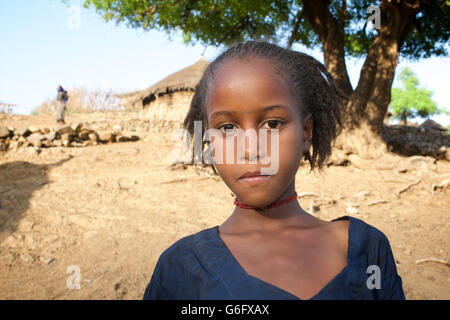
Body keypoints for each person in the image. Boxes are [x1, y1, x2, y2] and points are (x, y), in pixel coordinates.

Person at [143, 41, 405, 300]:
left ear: (306, 132)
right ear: (209, 140)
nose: (250, 150)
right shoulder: (180, 269)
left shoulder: (367, 250)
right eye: (227, 128)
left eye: (272, 123)